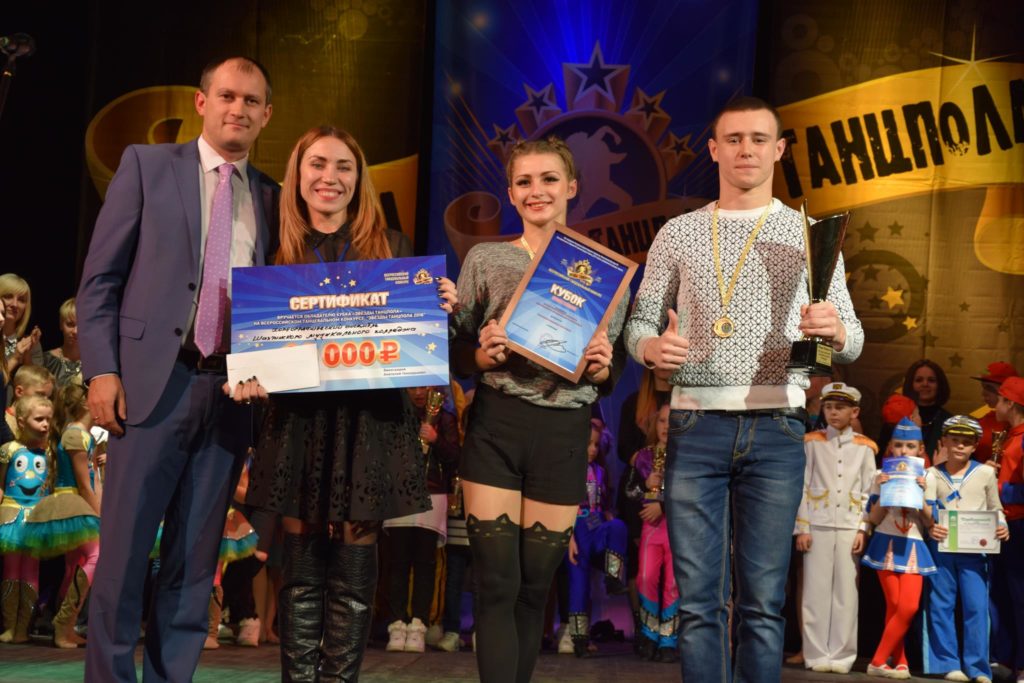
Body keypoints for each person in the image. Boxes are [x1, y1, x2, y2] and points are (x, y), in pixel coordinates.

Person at [623, 96, 864, 683]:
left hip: (778, 428)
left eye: (759, 139)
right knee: (699, 604)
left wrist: (834, 330)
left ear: (778, 150)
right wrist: (650, 349)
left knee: (762, 603)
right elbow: (639, 323)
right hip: (694, 427)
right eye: (733, 139)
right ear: (713, 150)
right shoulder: (679, 232)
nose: (746, 150)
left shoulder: (808, 234)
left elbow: (853, 341)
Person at [76, 56, 277, 682]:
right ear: (201, 101)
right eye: (228, 96)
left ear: (266, 115)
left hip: (228, 398)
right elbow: (100, 281)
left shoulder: (271, 196)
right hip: (148, 389)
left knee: (193, 568)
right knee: (123, 561)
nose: (238, 109)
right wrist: (101, 371)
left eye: (251, 101)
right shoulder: (146, 165)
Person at [237, 124, 458, 681]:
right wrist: (250, 374)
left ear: (359, 180)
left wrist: (440, 309)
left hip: (371, 420)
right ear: (297, 174)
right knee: (301, 561)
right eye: (317, 164)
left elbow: (421, 342)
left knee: (356, 557)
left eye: (343, 166)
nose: (329, 177)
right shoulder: (274, 249)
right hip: (299, 420)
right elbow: (255, 338)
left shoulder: (395, 250)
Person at [450, 136, 627, 683]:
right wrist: (482, 354)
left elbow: (613, 367)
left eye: (549, 179)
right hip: (496, 427)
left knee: (533, 588)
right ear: (510, 193)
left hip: (563, 434)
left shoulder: (604, 272)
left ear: (571, 186)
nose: (537, 191)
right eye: (524, 181)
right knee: (496, 585)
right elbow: (456, 347)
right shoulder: (486, 259)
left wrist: (602, 368)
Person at [793, 382, 877, 674]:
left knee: (846, 593)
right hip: (818, 523)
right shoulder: (812, 442)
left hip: (849, 525)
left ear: (854, 412)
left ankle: (842, 655)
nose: (833, 412)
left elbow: (869, 491)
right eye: (828, 407)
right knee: (815, 591)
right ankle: (815, 653)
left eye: (840, 407)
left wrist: (863, 527)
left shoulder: (865, 447)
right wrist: (802, 527)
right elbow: (802, 486)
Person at [922, 415, 1007, 683]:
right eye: (955, 440)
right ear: (944, 441)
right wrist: (930, 526)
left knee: (977, 608)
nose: (960, 446)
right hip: (942, 547)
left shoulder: (985, 473)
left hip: (975, 552)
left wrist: (1002, 526)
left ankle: (978, 668)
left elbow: (995, 507)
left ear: (975, 446)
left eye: (966, 442)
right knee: (940, 605)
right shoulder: (932, 474)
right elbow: (925, 507)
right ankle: (947, 663)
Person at [22, 383, 101, 648]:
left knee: (74, 564)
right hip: (73, 502)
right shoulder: (76, 434)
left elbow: (92, 480)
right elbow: (84, 484)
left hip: (77, 502)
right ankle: (64, 622)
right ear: (87, 403)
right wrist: (98, 516)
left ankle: (65, 626)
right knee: (96, 555)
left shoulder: (81, 434)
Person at [383, 386, 460, 654]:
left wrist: (436, 439)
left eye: (423, 387)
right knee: (398, 562)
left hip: (432, 494)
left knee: (425, 564)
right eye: (413, 387)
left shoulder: (445, 419)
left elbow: (456, 458)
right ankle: (396, 624)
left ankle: (419, 625)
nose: (418, 393)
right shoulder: (394, 416)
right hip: (399, 494)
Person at [861, 418, 936, 680]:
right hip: (887, 542)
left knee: (908, 607)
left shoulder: (928, 476)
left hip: (914, 543)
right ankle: (900, 660)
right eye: (899, 445)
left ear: (920, 449)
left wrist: (921, 494)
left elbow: (931, 521)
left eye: (910, 446)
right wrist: (885, 489)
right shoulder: (879, 475)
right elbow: (873, 517)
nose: (904, 450)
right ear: (891, 447)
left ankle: (878, 660)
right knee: (894, 605)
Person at [565, 421, 627, 657]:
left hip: (596, 523)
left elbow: (602, 504)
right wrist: (568, 536)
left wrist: (607, 516)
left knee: (618, 526)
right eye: (588, 444)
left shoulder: (600, 471)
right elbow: (562, 507)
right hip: (576, 528)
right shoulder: (568, 471)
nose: (592, 449)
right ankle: (579, 640)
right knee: (578, 584)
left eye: (596, 445)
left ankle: (613, 577)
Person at [625, 402, 680, 662]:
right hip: (651, 528)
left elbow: (690, 493)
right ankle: (649, 635)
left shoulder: (685, 456)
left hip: (677, 527)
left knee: (673, 582)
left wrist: (663, 505)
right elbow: (629, 492)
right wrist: (645, 485)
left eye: (672, 421)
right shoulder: (643, 456)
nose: (666, 426)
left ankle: (668, 640)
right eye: (662, 421)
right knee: (646, 577)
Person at [0, 395, 53, 644]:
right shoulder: (9, 450)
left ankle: (23, 628)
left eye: (48, 419)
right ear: (21, 421)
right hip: (12, 515)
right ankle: (10, 626)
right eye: (39, 419)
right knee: (11, 570)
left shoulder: (49, 452)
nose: (45, 424)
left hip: (37, 516)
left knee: (31, 571)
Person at [989, 376, 1024, 682]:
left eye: (999, 399)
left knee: (1019, 595)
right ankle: (1005, 659)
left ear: (1010, 403)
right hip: (1003, 523)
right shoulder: (1009, 436)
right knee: (1001, 593)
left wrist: (1000, 489)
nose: (994, 405)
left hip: (1019, 524)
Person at [971, 362, 1017, 463]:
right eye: (983, 387)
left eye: (989, 388)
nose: (983, 393)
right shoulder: (981, 422)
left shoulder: (1018, 425)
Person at [0, 273, 43, 380]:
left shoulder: (30, 343)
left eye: (21, 300)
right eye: (8, 296)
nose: (15, 304)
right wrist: (15, 358)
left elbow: (36, 384)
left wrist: (27, 354)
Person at [42, 298, 83, 389]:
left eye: (81, 325)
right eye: (70, 324)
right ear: (61, 324)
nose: (75, 331)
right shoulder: (47, 360)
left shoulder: (95, 362)